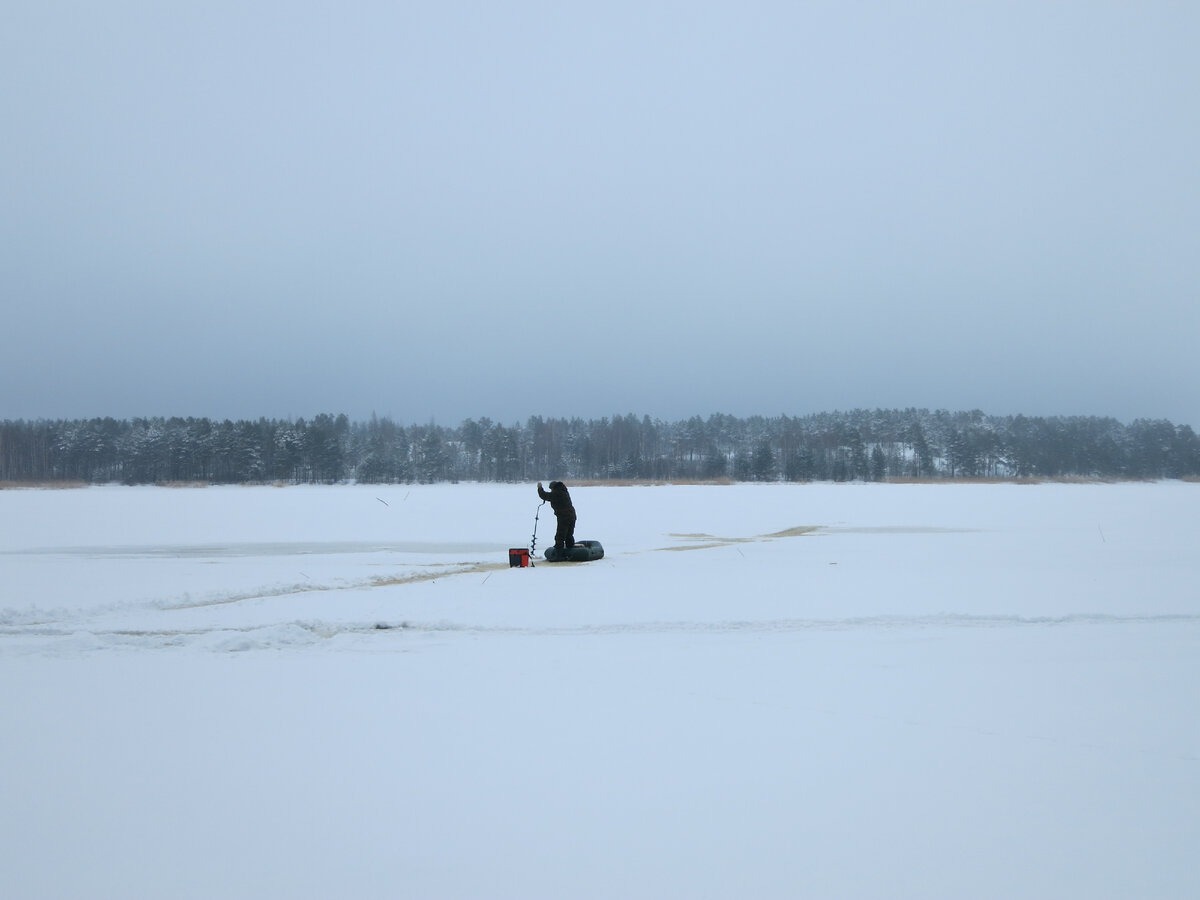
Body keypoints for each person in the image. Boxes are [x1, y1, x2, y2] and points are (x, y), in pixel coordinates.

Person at [537, 480, 576, 550]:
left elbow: (545, 496)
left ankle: (558, 551)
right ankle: (570, 548)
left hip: (564, 517)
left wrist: (540, 488)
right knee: (569, 534)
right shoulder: (564, 491)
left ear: (553, 488)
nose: (551, 490)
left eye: (551, 489)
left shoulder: (557, 493)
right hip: (572, 515)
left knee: (560, 535)